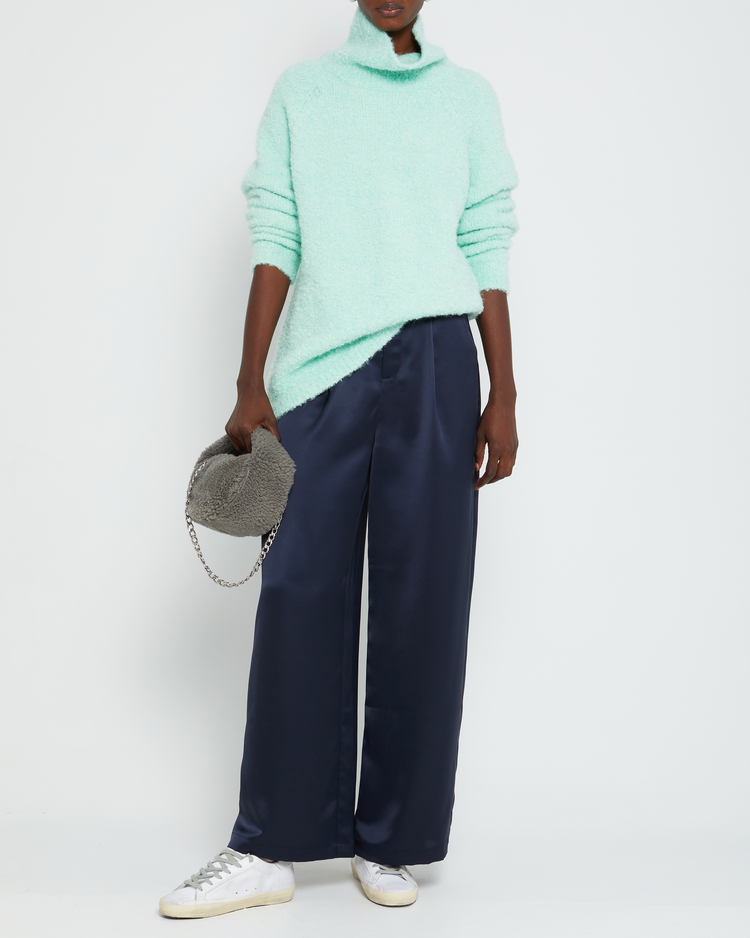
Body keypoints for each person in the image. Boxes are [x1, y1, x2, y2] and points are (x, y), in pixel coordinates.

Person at [159, 0, 519, 917]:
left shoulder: (467, 99)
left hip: (437, 359)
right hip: (321, 366)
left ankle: (392, 838)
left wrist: (504, 392)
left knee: (424, 599)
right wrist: (250, 381)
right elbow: (276, 231)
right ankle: (269, 843)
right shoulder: (304, 92)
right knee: (299, 591)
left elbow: (484, 240)